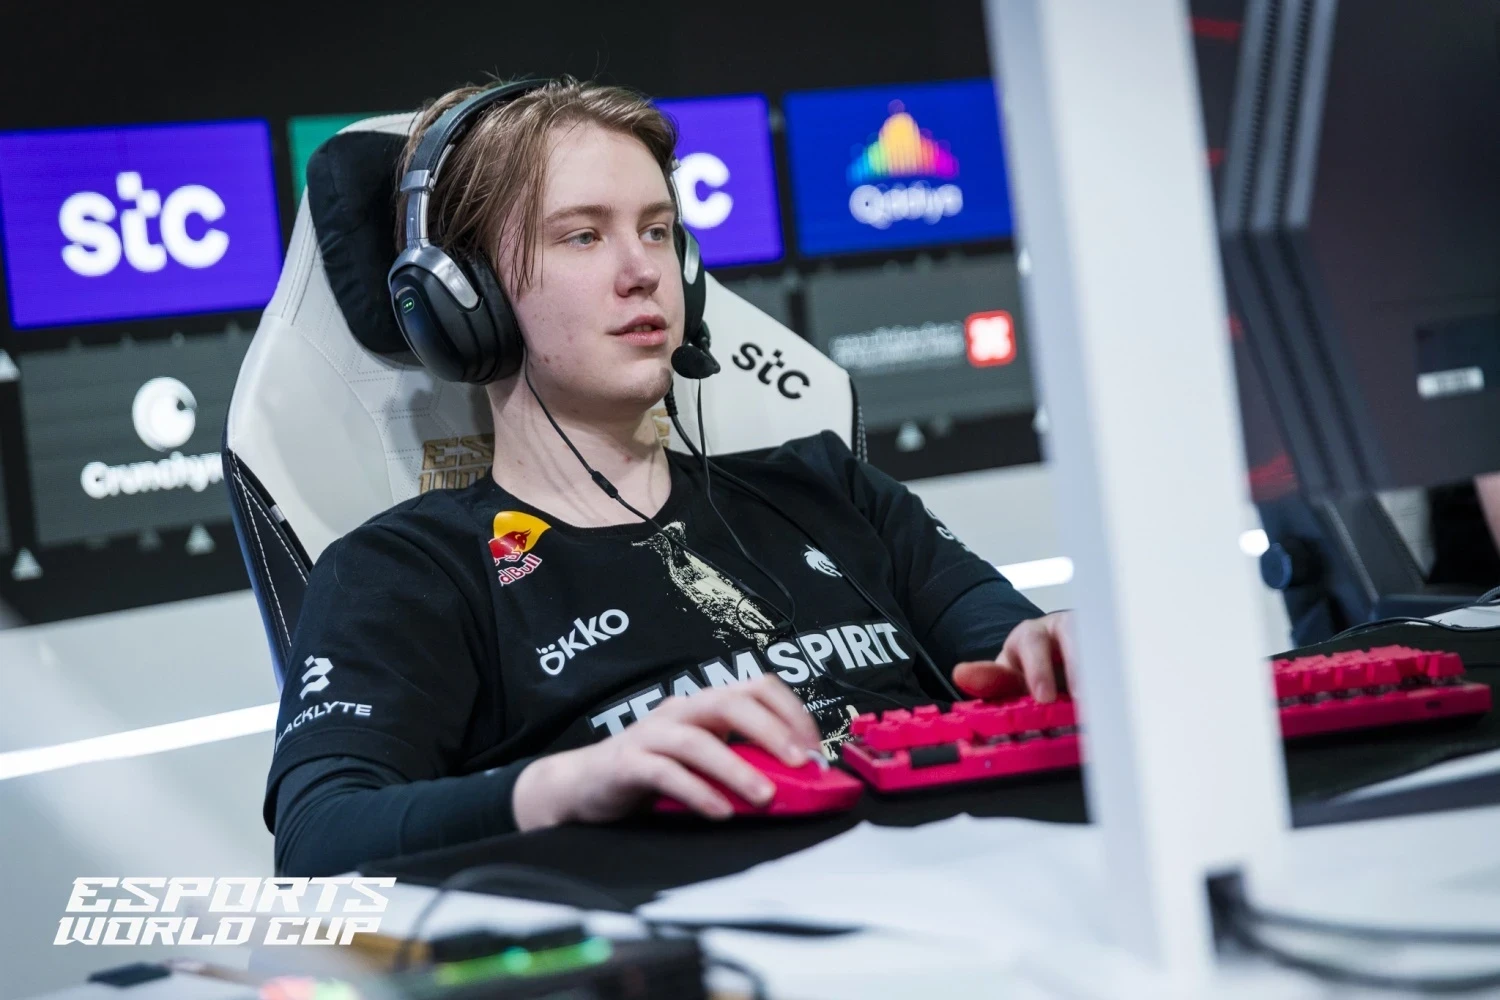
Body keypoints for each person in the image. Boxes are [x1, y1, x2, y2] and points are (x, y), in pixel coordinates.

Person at [267, 77, 1078, 876]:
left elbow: (1007, 650)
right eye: (582, 236)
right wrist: (575, 781)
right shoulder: (405, 572)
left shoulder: (830, 485)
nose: (642, 270)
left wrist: (1056, 650)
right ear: (466, 299)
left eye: (657, 231)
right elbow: (318, 840)